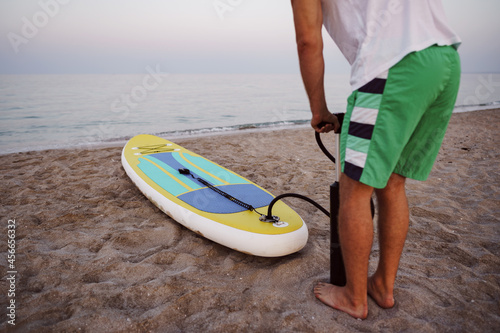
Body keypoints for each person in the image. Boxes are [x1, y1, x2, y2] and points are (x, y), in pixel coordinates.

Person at [291, 0, 461, 319]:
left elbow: (307, 41)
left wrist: (319, 110)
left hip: (392, 65)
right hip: (444, 60)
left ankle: (354, 297)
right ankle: (382, 285)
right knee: (393, 182)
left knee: (355, 189)